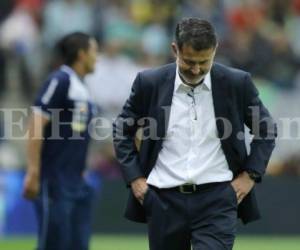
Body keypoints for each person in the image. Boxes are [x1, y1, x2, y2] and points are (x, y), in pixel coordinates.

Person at [113, 18, 277, 250]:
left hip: (218, 199)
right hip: (162, 200)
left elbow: (267, 129)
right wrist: (136, 179)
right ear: (174, 49)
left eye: (204, 62)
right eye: (189, 62)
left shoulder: (237, 83)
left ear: (216, 49)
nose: (196, 69)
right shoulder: (149, 83)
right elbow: (122, 130)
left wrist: (250, 176)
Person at [23, 32, 98, 250]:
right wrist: (34, 171)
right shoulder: (60, 80)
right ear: (82, 54)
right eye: (95, 51)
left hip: (76, 182)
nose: (98, 57)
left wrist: (81, 168)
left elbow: (76, 135)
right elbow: (36, 123)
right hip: (55, 181)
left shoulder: (82, 88)